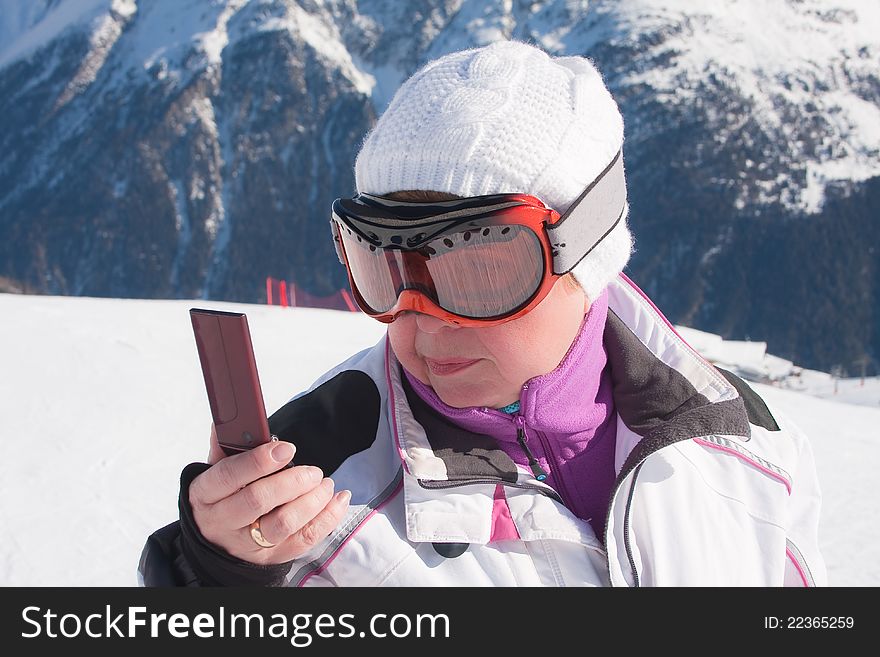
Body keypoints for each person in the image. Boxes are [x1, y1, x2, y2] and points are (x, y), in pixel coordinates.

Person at [139, 40, 826, 587]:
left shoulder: (747, 444)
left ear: (585, 253)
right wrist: (215, 575)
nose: (422, 321)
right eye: (383, 267)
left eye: (478, 271)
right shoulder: (312, 486)